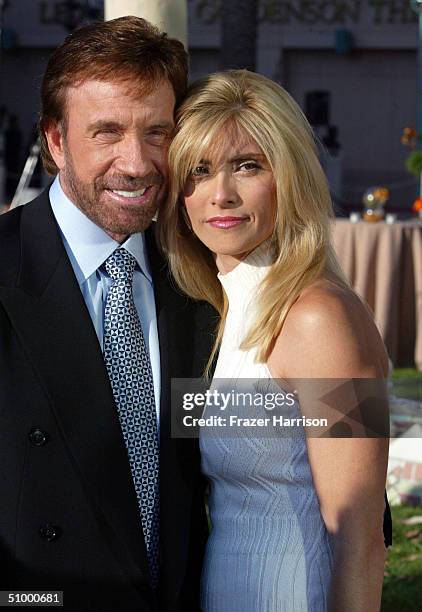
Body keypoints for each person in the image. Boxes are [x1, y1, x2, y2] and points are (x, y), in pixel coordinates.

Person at [0, 17, 214, 612]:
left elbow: (297, 420)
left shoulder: (204, 277)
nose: (138, 162)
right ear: (56, 141)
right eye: (107, 132)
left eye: (157, 132)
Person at [159, 70, 392, 611]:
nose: (221, 194)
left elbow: (363, 539)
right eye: (198, 171)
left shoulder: (321, 319)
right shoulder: (217, 308)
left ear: (287, 176)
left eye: (247, 166)